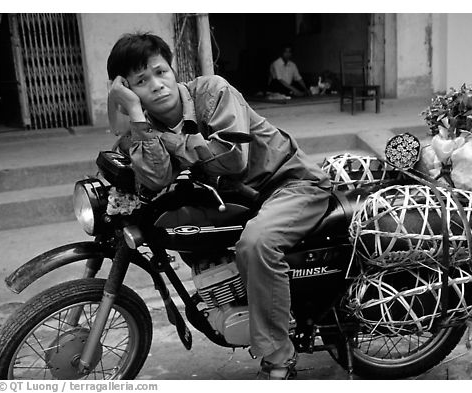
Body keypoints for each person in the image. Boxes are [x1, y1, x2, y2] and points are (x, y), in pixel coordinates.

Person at [106, 32, 330, 379]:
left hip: (289, 183)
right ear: (127, 89)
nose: (157, 86)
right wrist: (132, 115)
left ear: (172, 69)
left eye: (160, 72)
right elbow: (155, 177)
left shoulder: (213, 91)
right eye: (141, 81)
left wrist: (164, 138)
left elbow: (232, 161)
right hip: (242, 198)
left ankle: (278, 358)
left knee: (256, 243)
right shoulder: (145, 123)